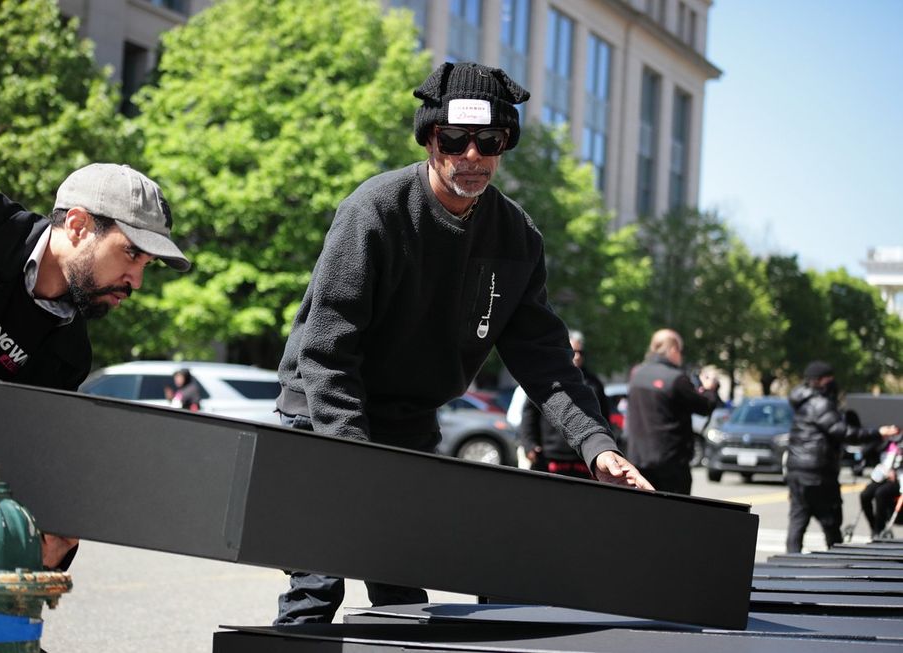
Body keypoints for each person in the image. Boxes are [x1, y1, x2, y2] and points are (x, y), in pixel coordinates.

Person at [273, 61, 652, 625]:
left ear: (504, 145)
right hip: (325, 416)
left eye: (489, 141)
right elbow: (327, 351)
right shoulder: (372, 212)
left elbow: (546, 361)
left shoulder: (517, 237)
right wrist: (352, 460)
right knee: (318, 583)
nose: (471, 156)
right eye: (454, 138)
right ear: (431, 138)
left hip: (407, 421)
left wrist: (597, 445)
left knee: (403, 589)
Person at [0, 163, 190, 567]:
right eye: (131, 253)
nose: (136, 280)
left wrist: (49, 547)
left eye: (146, 264)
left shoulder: (70, 353)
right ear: (79, 225)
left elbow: (31, 477)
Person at [786, 360, 899, 552]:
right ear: (821, 380)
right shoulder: (820, 404)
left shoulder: (803, 402)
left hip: (797, 471)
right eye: (830, 378)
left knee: (798, 522)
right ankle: (836, 566)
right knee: (831, 523)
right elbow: (844, 433)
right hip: (818, 474)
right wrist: (878, 433)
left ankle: (787, 569)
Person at [624, 328, 720, 494]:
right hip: (671, 465)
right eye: (681, 351)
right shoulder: (676, 378)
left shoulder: (636, 374)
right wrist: (709, 389)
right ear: (674, 349)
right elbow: (704, 406)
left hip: (638, 461)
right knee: (675, 515)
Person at [520, 331, 606, 478]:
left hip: (582, 458)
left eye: (580, 352)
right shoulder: (546, 378)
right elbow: (529, 414)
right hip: (548, 457)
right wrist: (529, 444)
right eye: (573, 352)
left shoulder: (594, 384)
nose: (577, 356)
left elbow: (604, 417)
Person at [860, 440, 902, 538]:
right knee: (865, 495)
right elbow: (866, 452)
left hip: (899, 479)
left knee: (880, 493)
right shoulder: (885, 441)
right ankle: (874, 526)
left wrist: (895, 470)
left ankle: (879, 528)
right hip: (882, 476)